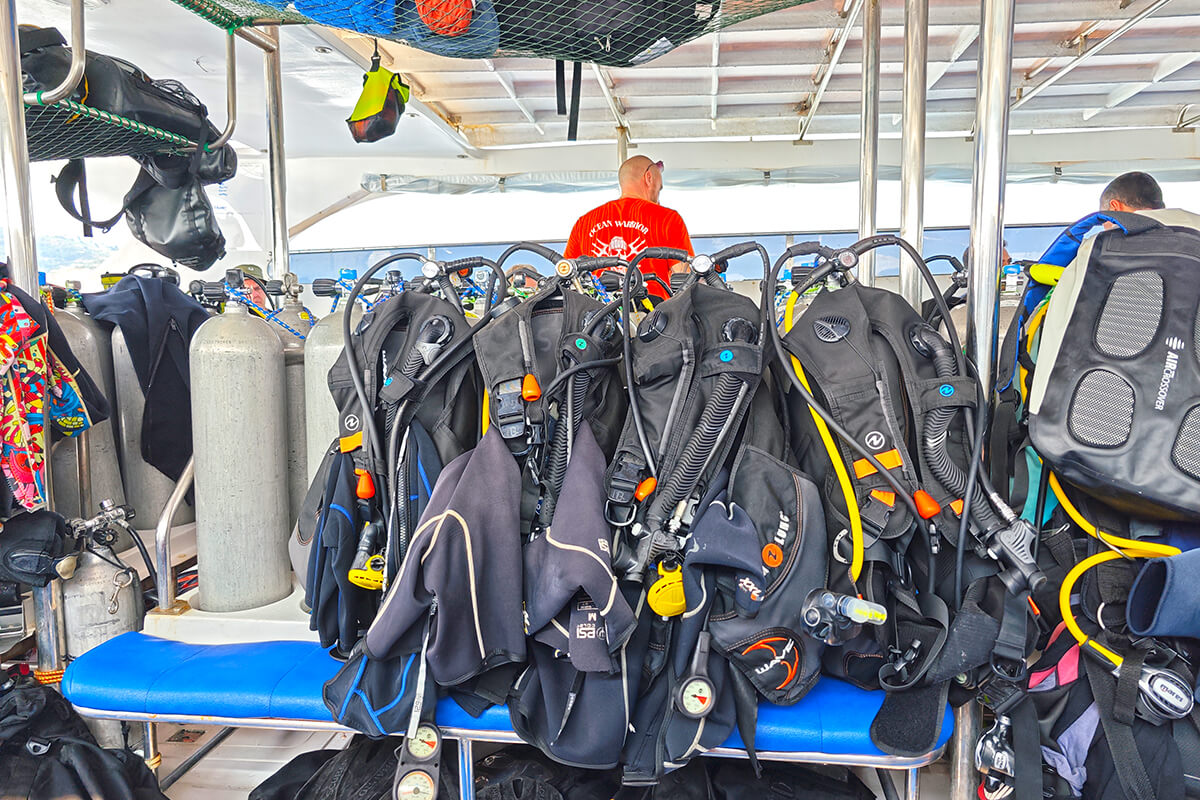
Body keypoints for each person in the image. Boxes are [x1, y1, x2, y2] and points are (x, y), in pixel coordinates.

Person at [564, 156, 694, 299]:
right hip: (654, 316)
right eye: (659, 189)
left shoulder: (584, 223)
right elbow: (684, 278)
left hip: (599, 316)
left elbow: (567, 275)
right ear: (649, 178)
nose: (658, 195)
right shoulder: (668, 218)